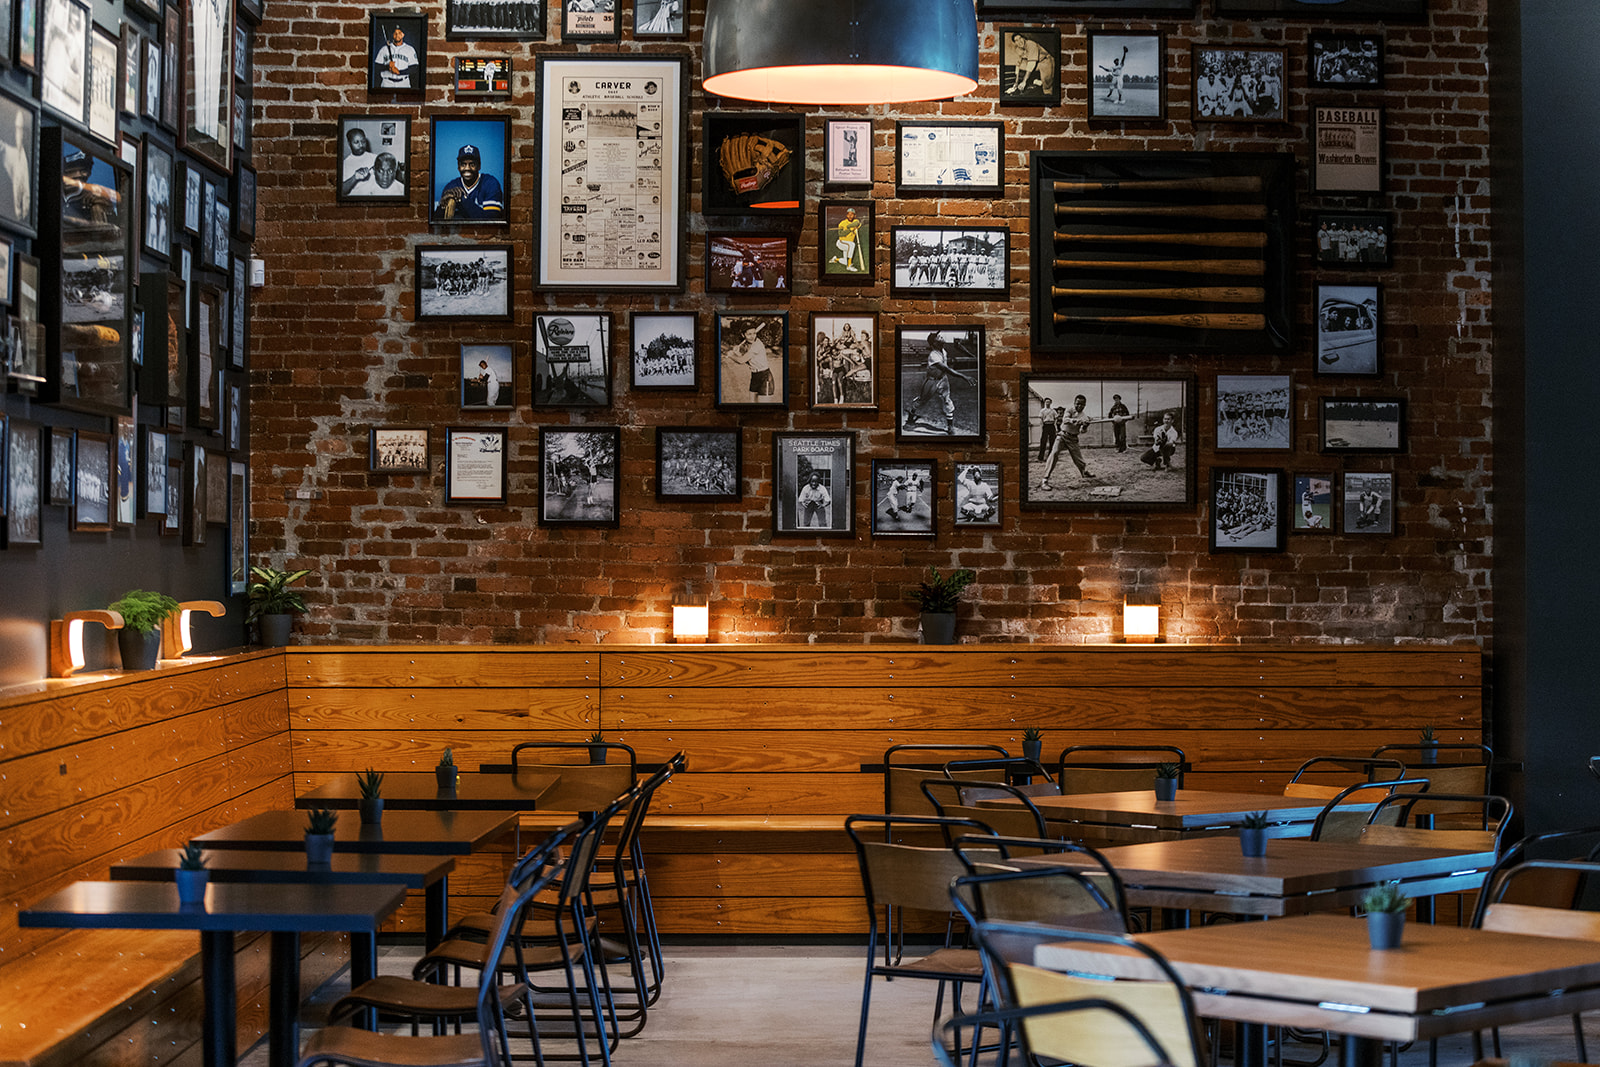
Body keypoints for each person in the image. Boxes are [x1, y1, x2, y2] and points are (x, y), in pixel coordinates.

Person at [903, 331, 975, 435]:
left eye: (940, 336)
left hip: (943, 379)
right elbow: (947, 369)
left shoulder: (943, 351)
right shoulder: (933, 355)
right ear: (934, 343)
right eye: (938, 337)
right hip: (931, 381)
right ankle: (911, 415)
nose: (941, 337)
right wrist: (964, 376)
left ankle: (950, 426)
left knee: (947, 401)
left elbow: (946, 367)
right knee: (922, 401)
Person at [435, 143, 504, 220]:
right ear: (458, 167)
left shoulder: (490, 184)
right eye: (463, 164)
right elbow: (437, 222)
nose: (467, 168)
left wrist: (462, 199)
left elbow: (491, 221)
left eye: (472, 164)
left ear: (479, 166)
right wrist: (441, 206)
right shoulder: (451, 186)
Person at [1040, 394, 1094, 489]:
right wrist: (1075, 421)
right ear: (1074, 403)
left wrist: (1085, 425)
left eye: (1082, 404)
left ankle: (1084, 471)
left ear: (1085, 405)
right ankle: (1045, 480)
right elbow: (1065, 420)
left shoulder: (1085, 417)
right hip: (1062, 436)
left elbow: (1082, 431)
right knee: (1054, 453)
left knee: (1079, 460)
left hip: (1073, 439)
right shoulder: (1069, 410)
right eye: (1077, 404)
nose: (1079, 406)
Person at [1007, 32, 1056, 96]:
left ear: (1024, 38)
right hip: (1037, 63)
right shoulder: (1018, 49)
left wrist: (1024, 81)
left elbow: (1031, 64)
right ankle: (1033, 80)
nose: (1019, 41)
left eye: (1020, 38)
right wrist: (1016, 82)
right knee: (1022, 64)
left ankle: (1048, 100)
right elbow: (1018, 65)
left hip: (1045, 61)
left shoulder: (1031, 44)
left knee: (1047, 87)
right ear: (1015, 43)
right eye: (1016, 40)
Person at [374, 24, 419, 91]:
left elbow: (414, 68)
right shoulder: (384, 49)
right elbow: (376, 66)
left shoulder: (410, 49)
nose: (397, 35)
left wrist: (399, 72)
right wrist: (387, 67)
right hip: (387, 83)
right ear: (392, 35)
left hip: (404, 83)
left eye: (399, 33)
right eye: (395, 33)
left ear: (403, 35)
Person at [831, 208, 863, 272]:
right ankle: (849, 266)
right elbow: (840, 234)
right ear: (846, 215)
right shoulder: (842, 223)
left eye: (852, 214)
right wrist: (850, 229)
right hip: (841, 242)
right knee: (852, 245)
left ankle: (835, 259)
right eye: (849, 214)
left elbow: (857, 223)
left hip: (848, 244)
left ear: (855, 216)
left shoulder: (856, 221)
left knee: (845, 261)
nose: (850, 216)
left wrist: (849, 226)